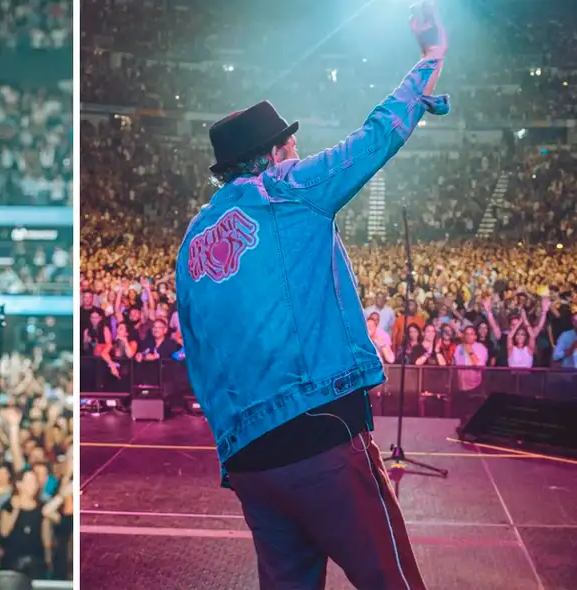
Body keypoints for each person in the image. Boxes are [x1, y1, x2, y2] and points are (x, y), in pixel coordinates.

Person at [174, 3, 447, 589]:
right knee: (391, 580)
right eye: (290, 146)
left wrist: (231, 441)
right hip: (319, 431)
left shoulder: (192, 240)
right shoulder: (285, 189)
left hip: (249, 460)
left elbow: (196, 352)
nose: (297, 152)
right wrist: (430, 58)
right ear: (273, 154)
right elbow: (376, 137)